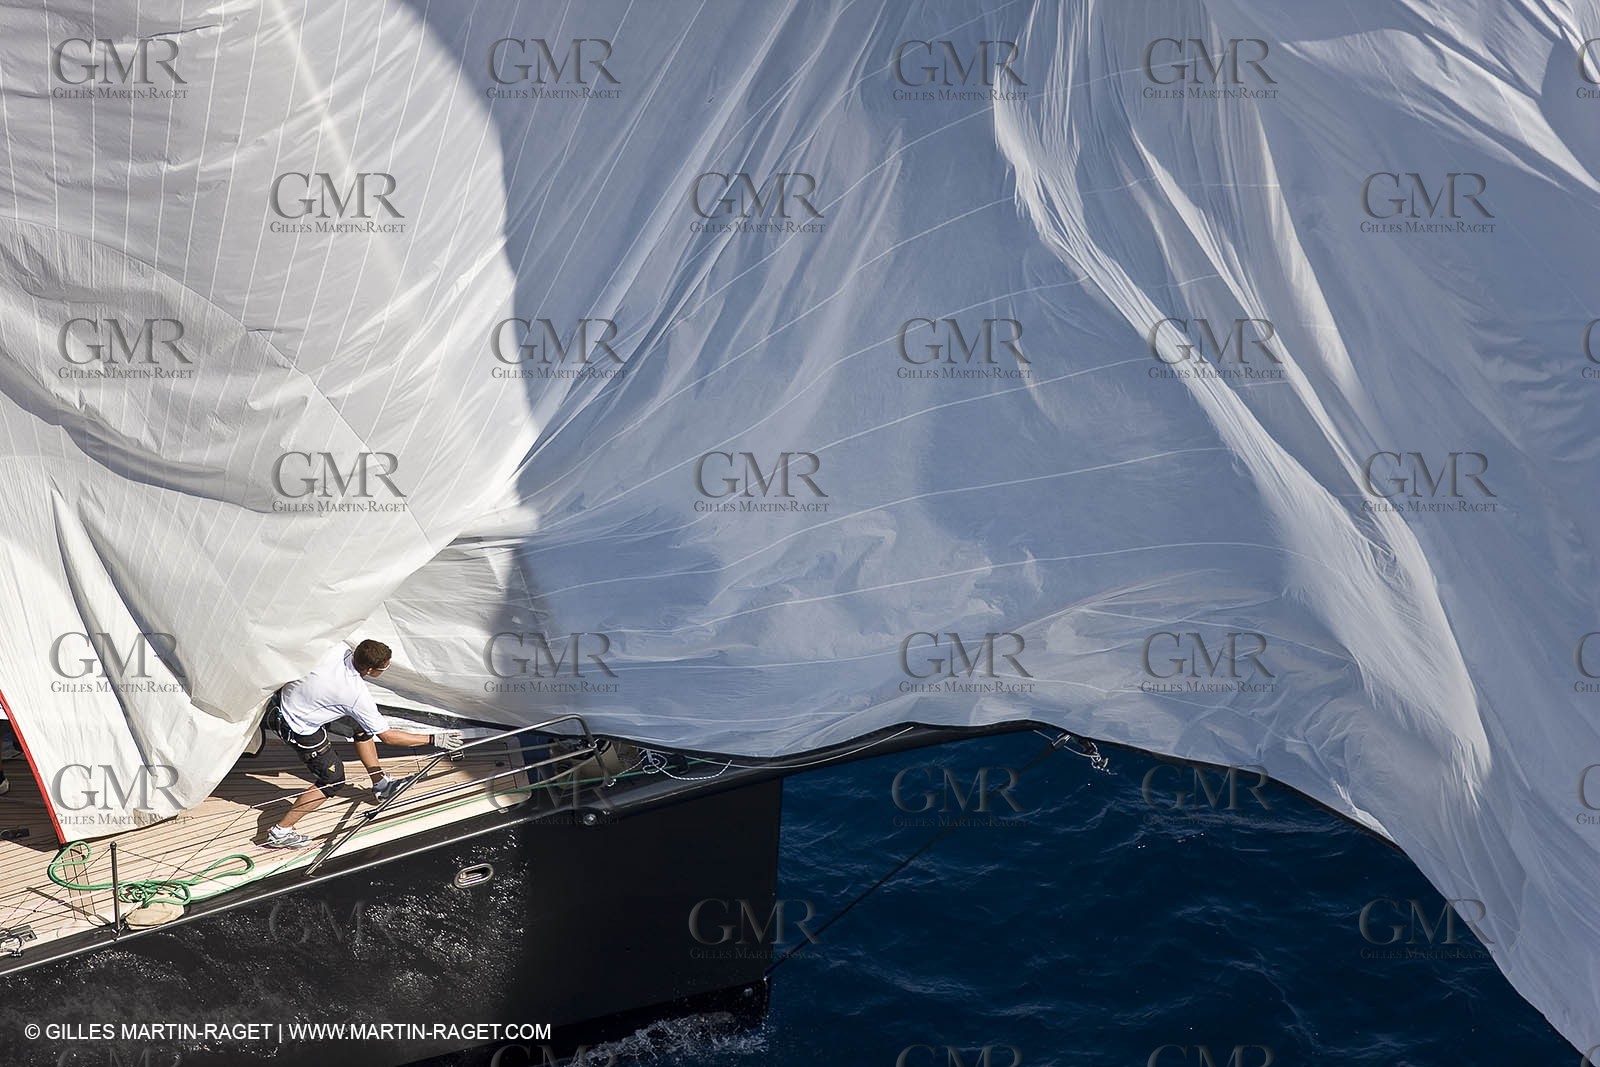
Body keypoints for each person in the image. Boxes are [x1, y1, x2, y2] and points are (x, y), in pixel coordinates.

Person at [263, 639, 463, 850]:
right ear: (369, 670)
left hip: (285, 702)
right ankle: (281, 832)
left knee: (361, 726)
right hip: (297, 726)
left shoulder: (335, 647)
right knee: (332, 780)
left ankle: (381, 784)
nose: (386, 668)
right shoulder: (355, 695)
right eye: (384, 667)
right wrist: (433, 739)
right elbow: (387, 736)